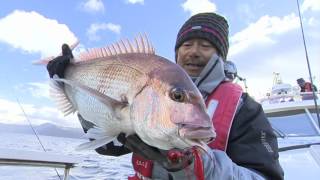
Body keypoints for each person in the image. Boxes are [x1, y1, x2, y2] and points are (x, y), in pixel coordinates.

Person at [47, 12, 284, 180]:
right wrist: (65, 80)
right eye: (187, 44)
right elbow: (107, 147)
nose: (193, 52)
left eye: (205, 45)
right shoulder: (149, 91)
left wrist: (200, 166)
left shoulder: (245, 109)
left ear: (221, 55)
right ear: (177, 50)